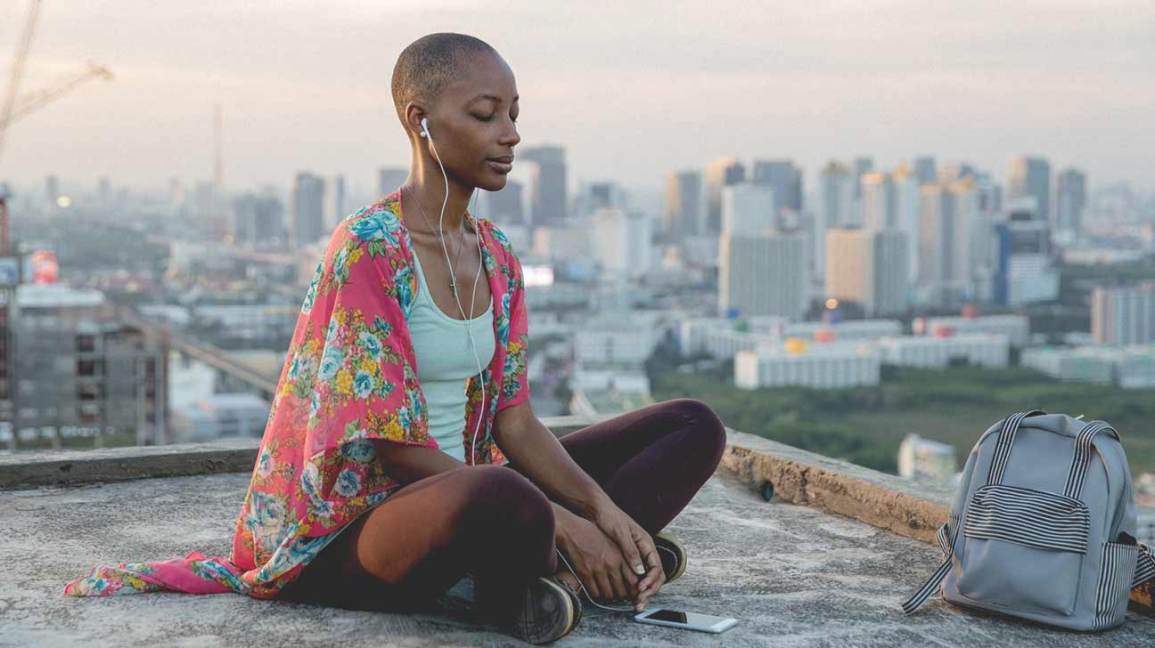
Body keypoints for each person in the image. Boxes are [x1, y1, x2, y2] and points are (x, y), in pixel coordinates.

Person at [64, 32, 726, 645]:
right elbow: (393, 447)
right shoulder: (370, 248)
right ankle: (546, 575)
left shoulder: (495, 254)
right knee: (504, 494)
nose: (511, 135)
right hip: (360, 531)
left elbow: (514, 419)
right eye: (486, 114)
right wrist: (567, 520)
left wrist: (604, 514)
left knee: (691, 426)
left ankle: (580, 565)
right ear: (420, 119)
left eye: (514, 114)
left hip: (472, 495)